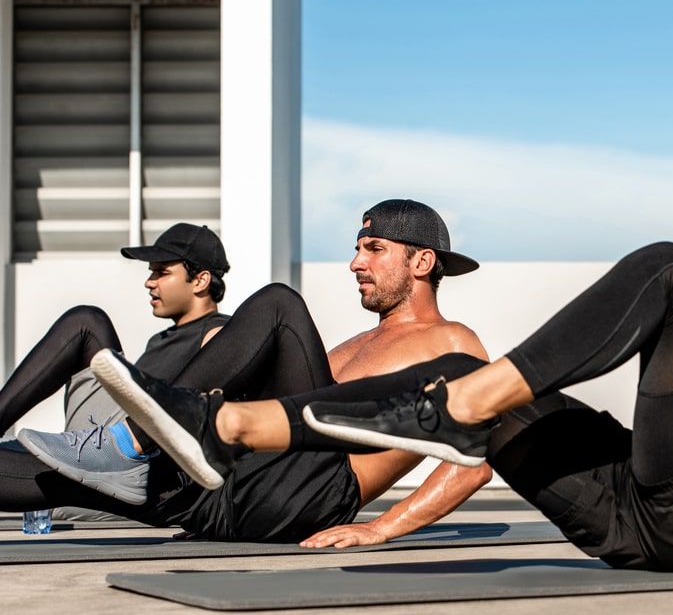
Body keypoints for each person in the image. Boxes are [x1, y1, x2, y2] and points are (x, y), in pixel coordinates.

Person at [95, 70, 673, 573]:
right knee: (453, 381)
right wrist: (381, 524)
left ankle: (471, 399)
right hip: (646, 518)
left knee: (667, 269)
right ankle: (230, 427)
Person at [8, 200, 492, 546]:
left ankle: (130, 441)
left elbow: (478, 460)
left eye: (374, 248)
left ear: (422, 261)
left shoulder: (452, 342)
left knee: (279, 305)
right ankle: (137, 452)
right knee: (32, 467)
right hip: (224, 492)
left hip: (308, 491)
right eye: (357, 248)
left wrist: (381, 527)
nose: (354, 263)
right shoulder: (353, 346)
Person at [1, 223, 230, 508]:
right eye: (150, 272)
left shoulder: (220, 335)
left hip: (146, 461)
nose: (149, 281)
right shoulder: (159, 341)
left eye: (162, 272)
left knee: (87, 324)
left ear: (200, 281)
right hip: (102, 440)